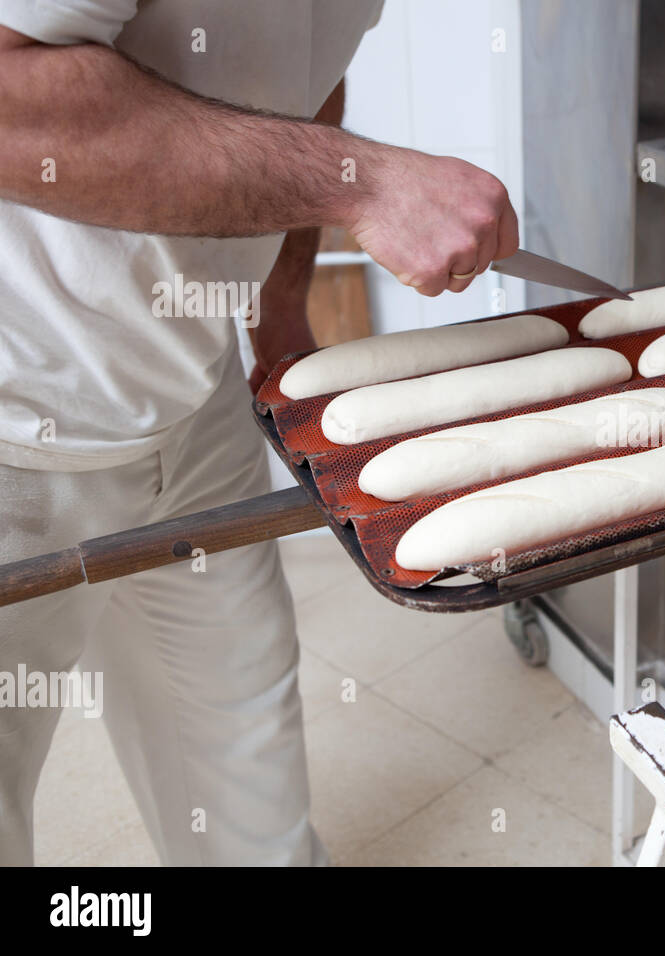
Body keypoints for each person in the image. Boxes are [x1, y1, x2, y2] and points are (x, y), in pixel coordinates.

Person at [0, 0, 519, 865]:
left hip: (191, 393)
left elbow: (303, 80)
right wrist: (364, 182)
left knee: (243, 748)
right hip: (18, 405)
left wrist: (279, 313)